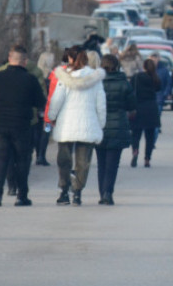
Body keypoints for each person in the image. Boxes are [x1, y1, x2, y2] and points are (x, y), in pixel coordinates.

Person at [0, 45, 46, 206]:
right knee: (23, 160)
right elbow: (41, 102)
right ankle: (21, 195)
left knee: (2, 159)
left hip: (1, 124)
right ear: (25, 61)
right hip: (22, 124)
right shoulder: (30, 80)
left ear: (9, 59)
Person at [47, 49, 106, 205]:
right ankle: (77, 192)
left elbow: (56, 100)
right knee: (83, 162)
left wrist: (52, 117)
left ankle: (64, 191)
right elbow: (101, 104)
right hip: (88, 124)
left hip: (66, 125)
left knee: (64, 160)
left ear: (72, 59)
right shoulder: (95, 79)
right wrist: (101, 123)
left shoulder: (64, 78)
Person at [97, 54, 136, 205]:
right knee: (112, 164)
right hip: (118, 126)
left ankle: (102, 193)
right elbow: (132, 105)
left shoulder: (97, 83)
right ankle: (108, 192)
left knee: (101, 163)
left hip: (99, 127)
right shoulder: (124, 83)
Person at [129, 58, 161, 168]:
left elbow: (130, 89)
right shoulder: (155, 78)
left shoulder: (136, 77)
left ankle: (135, 151)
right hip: (151, 108)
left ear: (143, 67)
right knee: (150, 136)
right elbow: (159, 89)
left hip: (138, 107)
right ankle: (147, 158)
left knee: (136, 134)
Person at [34, 52, 55, 165]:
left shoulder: (35, 73)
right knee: (46, 132)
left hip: (37, 107)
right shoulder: (51, 75)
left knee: (37, 131)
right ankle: (41, 155)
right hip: (47, 107)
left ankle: (38, 155)